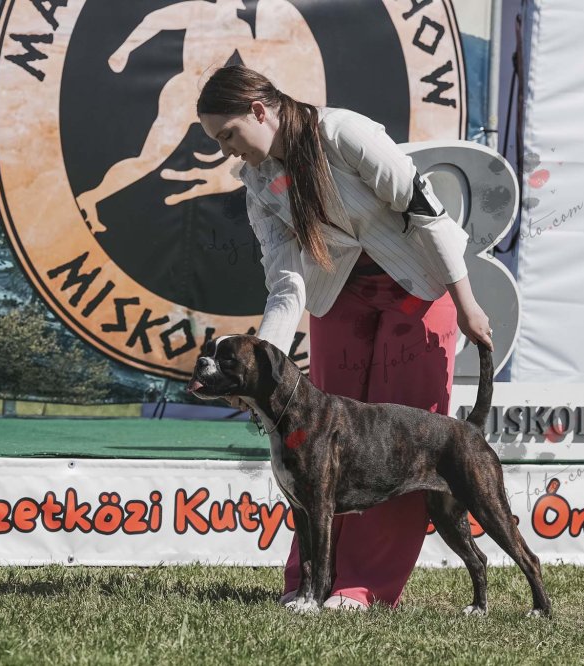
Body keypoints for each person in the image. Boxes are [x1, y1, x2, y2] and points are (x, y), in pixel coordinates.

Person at [196, 65, 493, 610]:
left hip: (417, 288)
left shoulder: (343, 132)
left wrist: (467, 302)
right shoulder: (257, 184)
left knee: (399, 447)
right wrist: (262, 366)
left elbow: (425, 211)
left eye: (228, 134)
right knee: (317, 445)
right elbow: (287, 283)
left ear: (259, 111)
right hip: (338, 299)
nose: (225, 150)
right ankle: (309, 582)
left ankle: (366, 586)